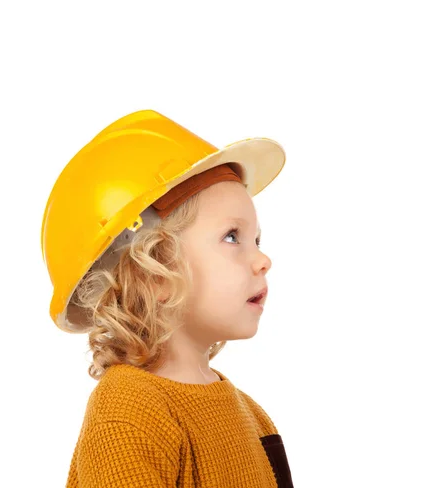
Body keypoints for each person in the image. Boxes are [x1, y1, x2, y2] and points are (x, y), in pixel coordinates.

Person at [40, 109, 294, 487]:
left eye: (256, 240)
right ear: (152, 272)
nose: (262, 260)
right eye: (231, 237)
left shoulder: (251, 414)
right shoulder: (128, 413)